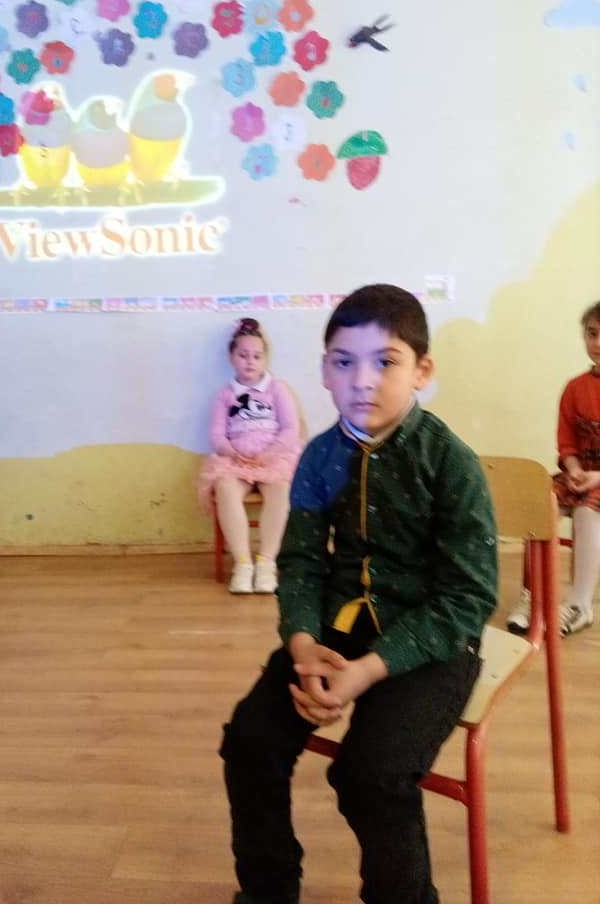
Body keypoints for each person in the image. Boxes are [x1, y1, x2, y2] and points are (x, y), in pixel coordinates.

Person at [220, 284, 498, 904]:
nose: (362, 380)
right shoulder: (320, 457)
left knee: (371, 775)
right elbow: (299, 562)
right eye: (344, 362)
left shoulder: (449, 462)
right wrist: (302, 643)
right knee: (250, 742)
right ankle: (268, 891)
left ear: (422, 370)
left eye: (385, 362)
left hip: (433, 641)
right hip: (335, 631)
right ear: (324, 370)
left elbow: (467, 596)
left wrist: (369, 671)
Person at [507, 300, 600, 637]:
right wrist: (573, 467)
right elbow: (567, 441)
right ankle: (533, 596)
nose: (597, 343)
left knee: (588, 510)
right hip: (580, 474)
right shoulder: (575, 388)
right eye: (592, 333)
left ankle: (580, 604)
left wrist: (596, 477)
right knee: (540, 500)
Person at [198, 317, 302, 594]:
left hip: (273, 458)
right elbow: (217, 434)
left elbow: (290, 429)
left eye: (256, 356)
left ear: (265, 358)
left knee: (281, 491)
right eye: (243, 355)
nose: (250, 362)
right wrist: (231, 452)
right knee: (225, 488)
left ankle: (266, 562)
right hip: (236, 461)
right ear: (231, 357)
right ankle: (243, 564)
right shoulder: (225, 395)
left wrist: (271, 452)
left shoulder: (277, 389)